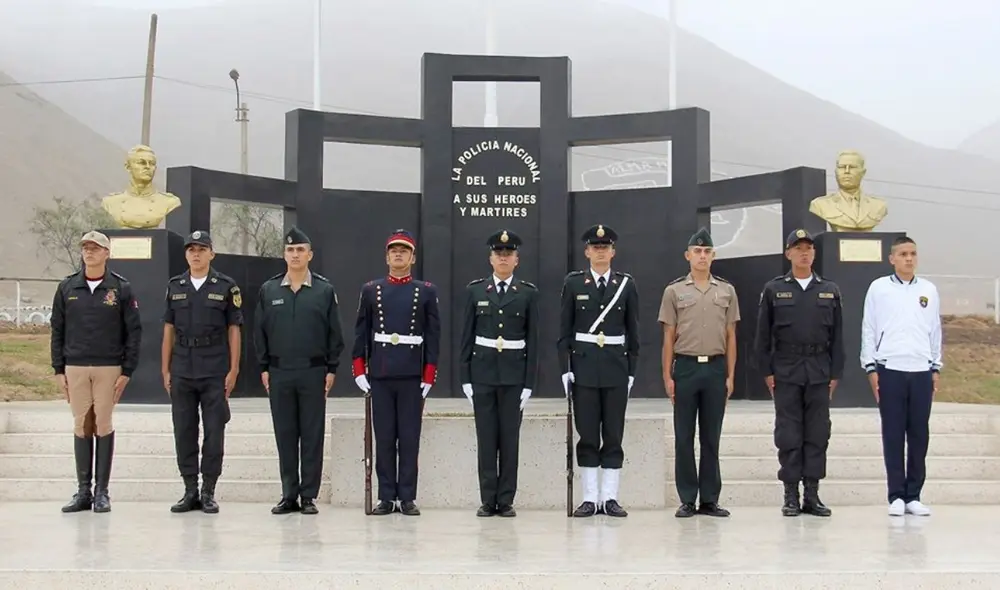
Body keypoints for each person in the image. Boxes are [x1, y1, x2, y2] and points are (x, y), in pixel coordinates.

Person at [254, 227, 344, 515]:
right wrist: (264, 366)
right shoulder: (269, 290)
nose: (295, 255)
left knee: (312, 434)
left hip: (313, 373)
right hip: (279, 373)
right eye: (290, 250)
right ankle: (288, 494)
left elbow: (335, 334)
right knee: (285, 434)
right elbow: (260, 332)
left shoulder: (324, 290)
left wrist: (331, 369)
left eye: (300, 250)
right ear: (284, 254)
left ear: (310, 255)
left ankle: (308, 496)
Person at [50, 230, 142, 514]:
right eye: (85, 248)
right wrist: (58, 369)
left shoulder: (121, 288)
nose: (89, 252)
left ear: (106, 253)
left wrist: (127, 369)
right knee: (81, 424)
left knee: (102, 422)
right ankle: (83, 491)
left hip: (107, 366)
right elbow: (57, 329)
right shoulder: (67, 288)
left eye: (95, 248)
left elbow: (133, 331)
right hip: (75, 365)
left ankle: (102, 491)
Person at [754, 228, 843, 518]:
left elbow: (838, 336)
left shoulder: (829, 289)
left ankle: (812, 494)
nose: (804, 253)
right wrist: (767, 371)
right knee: (789, 433)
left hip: (818, 370)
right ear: (788, 253)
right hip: (787, 369)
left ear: (814, 253)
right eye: (798, 248)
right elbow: (762, 336)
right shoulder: (774, 289)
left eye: (809, 248)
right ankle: (791, 494)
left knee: (817, 433)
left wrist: (835, 372)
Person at [351, 229, 441, 516]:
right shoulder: (371, 289)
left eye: (404, 250)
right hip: (381, 372)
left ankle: (407, 497)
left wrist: (429, 374)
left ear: (412, 258)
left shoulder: (425, 290)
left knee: (410, 438)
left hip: (412, 373)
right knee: (385, 437)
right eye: (393, 250)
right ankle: (386, 496)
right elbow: (361, 332)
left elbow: (433, 335)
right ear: (386, 256)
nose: (398, 254)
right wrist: (358, 368)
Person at [558, 224, 639, 518]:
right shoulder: (574, 283)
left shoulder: (626, 284)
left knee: (614, 434)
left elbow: (634, 331)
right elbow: (564, 331)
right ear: (587, 252)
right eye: (596, 247)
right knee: (588, 434)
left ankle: (610, 497)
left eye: (606, 247)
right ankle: (590, 498)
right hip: (584, 368)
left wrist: (631, 370)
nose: (601, 251)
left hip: (616, 368)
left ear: (613, 252)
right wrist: (565, 370)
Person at [658, 227, 739, 518]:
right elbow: (668, 336)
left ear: (713, 255)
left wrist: (730, 375)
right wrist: (668, 376)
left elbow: (731, 335)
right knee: (684, 436)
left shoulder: (726, 291)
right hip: (687, 368)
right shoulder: (675, 291)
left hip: (715, 368)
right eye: (697, 251)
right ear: (688, 256)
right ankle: (687, 498)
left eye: (707, 252)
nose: (702, 256)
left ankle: (710, 498)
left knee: (711, 437)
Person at [161, 230, 243, 514]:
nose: (196, 254)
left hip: (214, 367)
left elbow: (234, 330)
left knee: (213, 431)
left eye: (201, 249)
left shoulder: (226, 286)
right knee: (183, 430)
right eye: (191, 249)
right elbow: (168, 330)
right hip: (183, 366)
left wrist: (233, 369)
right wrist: (165, 368)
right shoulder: (175, 285)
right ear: (186, 254)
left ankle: (208, 490)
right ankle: (189, 489)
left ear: (212, 253)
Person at [459, 229, 539, 517]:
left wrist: (529, 383)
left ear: (517, 260)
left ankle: (505, 500)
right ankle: (487, 498)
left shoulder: (528, 293)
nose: (503, 259)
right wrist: (465, 379)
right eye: (498, 254)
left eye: (508, 255)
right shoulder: (476, 291)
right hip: (482, 375)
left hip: (514, 377)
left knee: (509, 440)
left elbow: (533, 340)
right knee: (486, 438)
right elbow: (466, 338)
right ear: (490, 259)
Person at [860, 236, 940, 517]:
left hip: (920, 369)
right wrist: (870, 366)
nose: (909, 258)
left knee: (919, 434)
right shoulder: (879, 289)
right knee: (893, 433)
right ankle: (895, 494)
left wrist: (935, 366)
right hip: (890, 368)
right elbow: (869, 327)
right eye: (903, 254)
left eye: (913, 254)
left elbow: (935, 330)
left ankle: (914, 495)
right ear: (892, 258)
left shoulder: (928, 290)